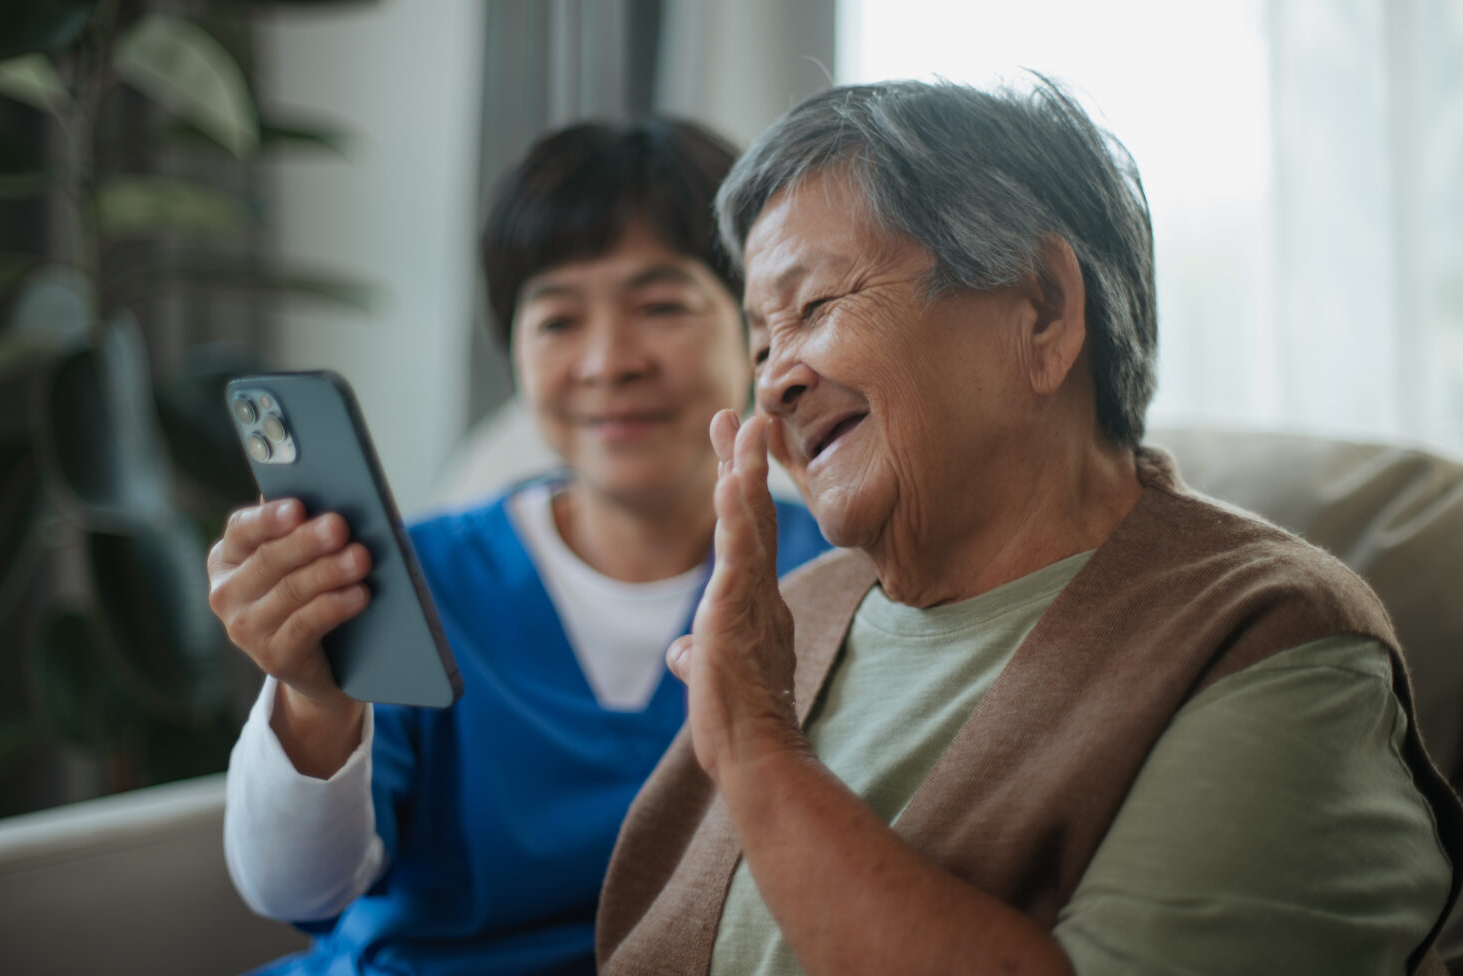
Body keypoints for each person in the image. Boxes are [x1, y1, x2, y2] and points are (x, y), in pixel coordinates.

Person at [595, 80, 1463, 976]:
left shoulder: (1272, 642)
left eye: (815, 307)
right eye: (761, 344)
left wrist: (756, 749)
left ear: (1044, 308)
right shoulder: (790, 619)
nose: (774, 384)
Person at [206, 119, 832, 976]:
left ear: (755, 330)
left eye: (660, 306)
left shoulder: (838, 580)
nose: (608, 362)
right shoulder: (408, 578)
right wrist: (313, 698)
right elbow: (297, 893)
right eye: (558, 320)